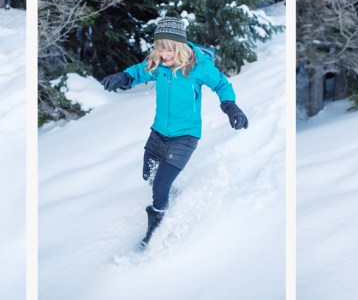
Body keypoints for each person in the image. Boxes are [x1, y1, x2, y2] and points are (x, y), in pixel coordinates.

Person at [100, 14, 248, 249]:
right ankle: (170, 192)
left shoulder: (198, 67)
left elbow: (222, 84)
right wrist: (124, 77)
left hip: (185, 137)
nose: (164, 55)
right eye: (160, 50)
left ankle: (154, 234)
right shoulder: (160, 66)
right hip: (158, 132)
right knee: (148, 175)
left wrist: (231, 107)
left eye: (169, 50)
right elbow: (140, 71)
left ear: (179, 47)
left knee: (159, 188)